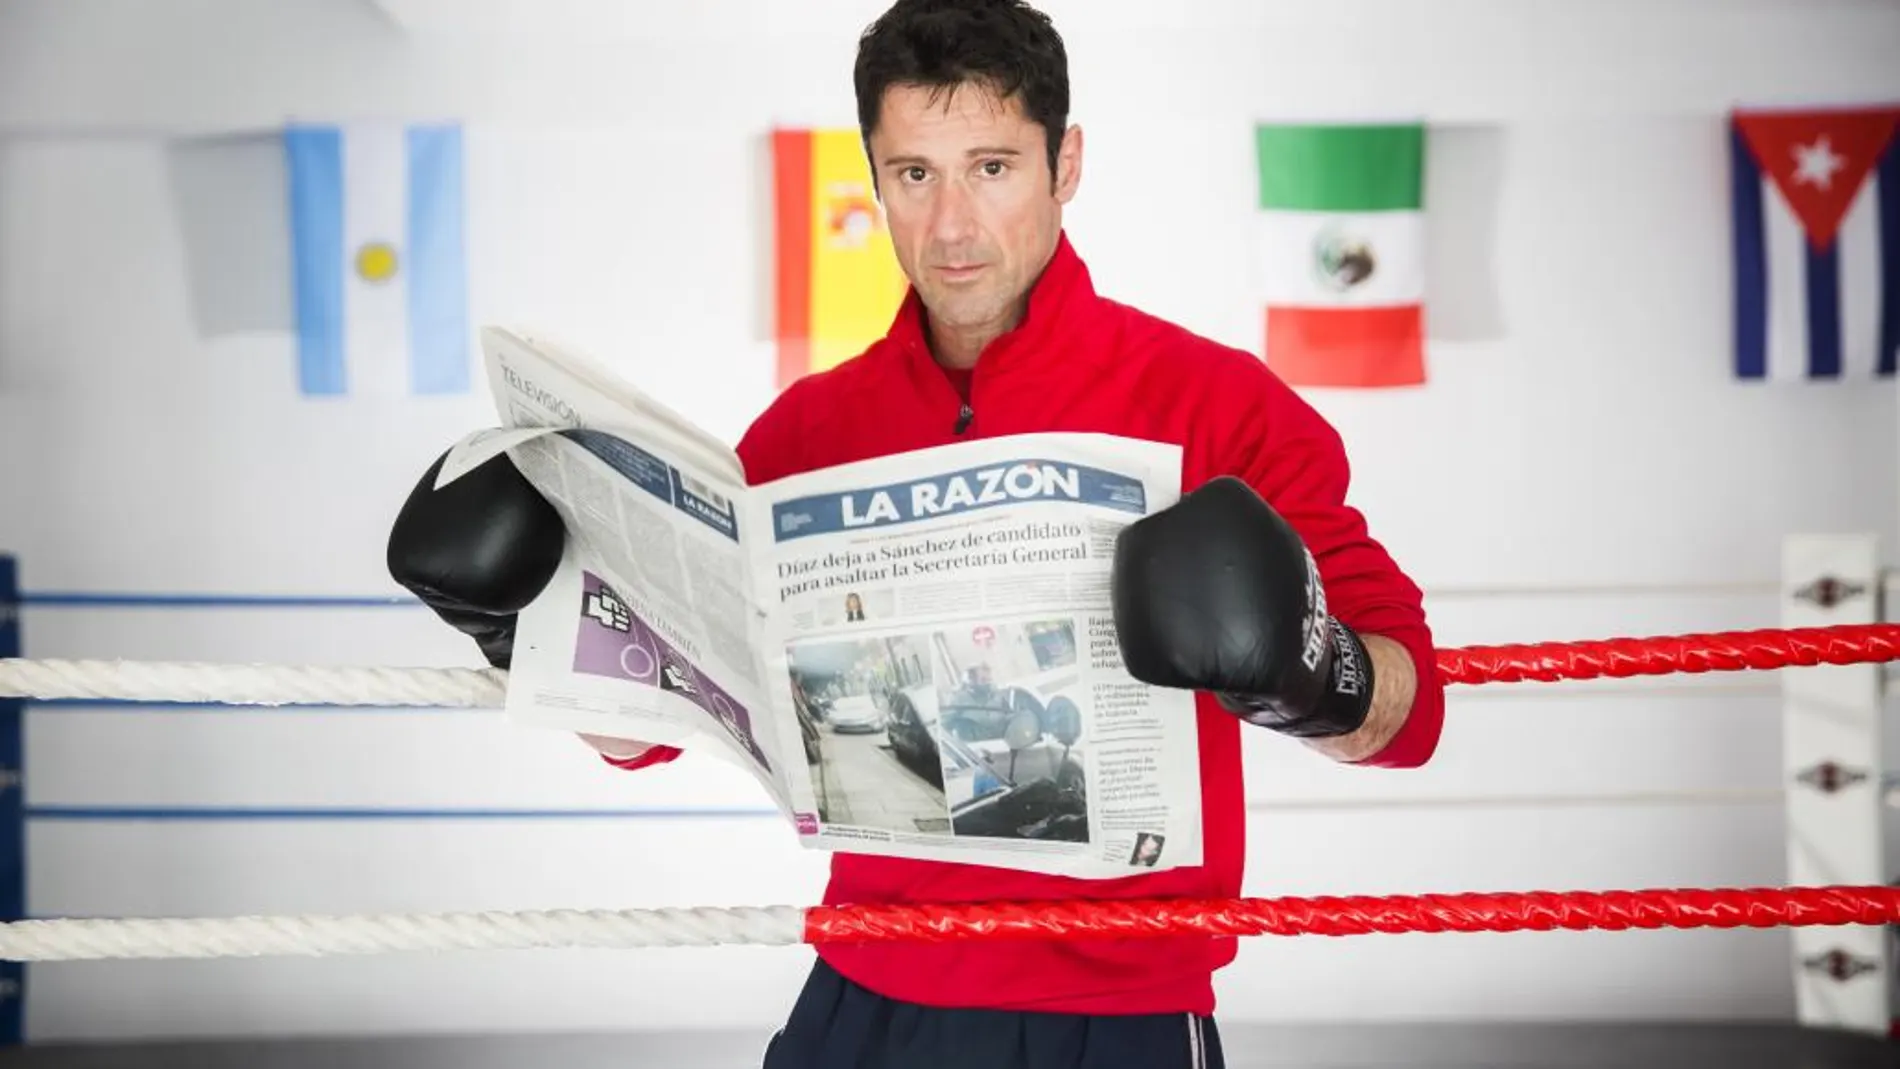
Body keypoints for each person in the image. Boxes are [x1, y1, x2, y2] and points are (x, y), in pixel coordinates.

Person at [385, 1, 1445, 1065]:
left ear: (1063, 163)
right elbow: (653, 725)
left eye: (991, 168)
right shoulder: (807, 431)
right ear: (874, 178)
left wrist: (1304, 671)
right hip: (860, 986)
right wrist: (519, 627)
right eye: (913, 174)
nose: (949, 226)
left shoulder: (1216, 404)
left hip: (1116, 1010)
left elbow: (1406, 714)